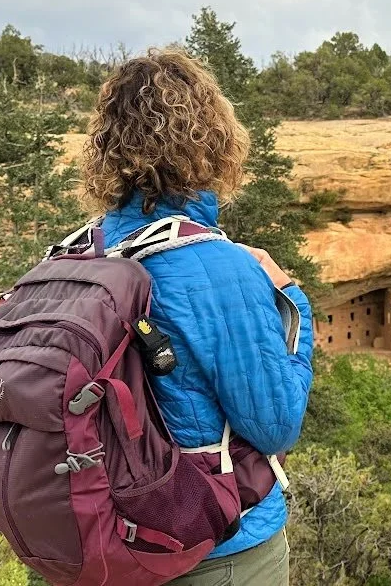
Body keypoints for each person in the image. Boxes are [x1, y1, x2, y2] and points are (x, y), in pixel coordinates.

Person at [80, 48, 314, 585]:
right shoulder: (216, 267)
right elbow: (276, 425)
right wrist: (293, 303)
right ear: (213, 141)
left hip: (106, 537)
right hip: (212, 545)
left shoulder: (81, 252)